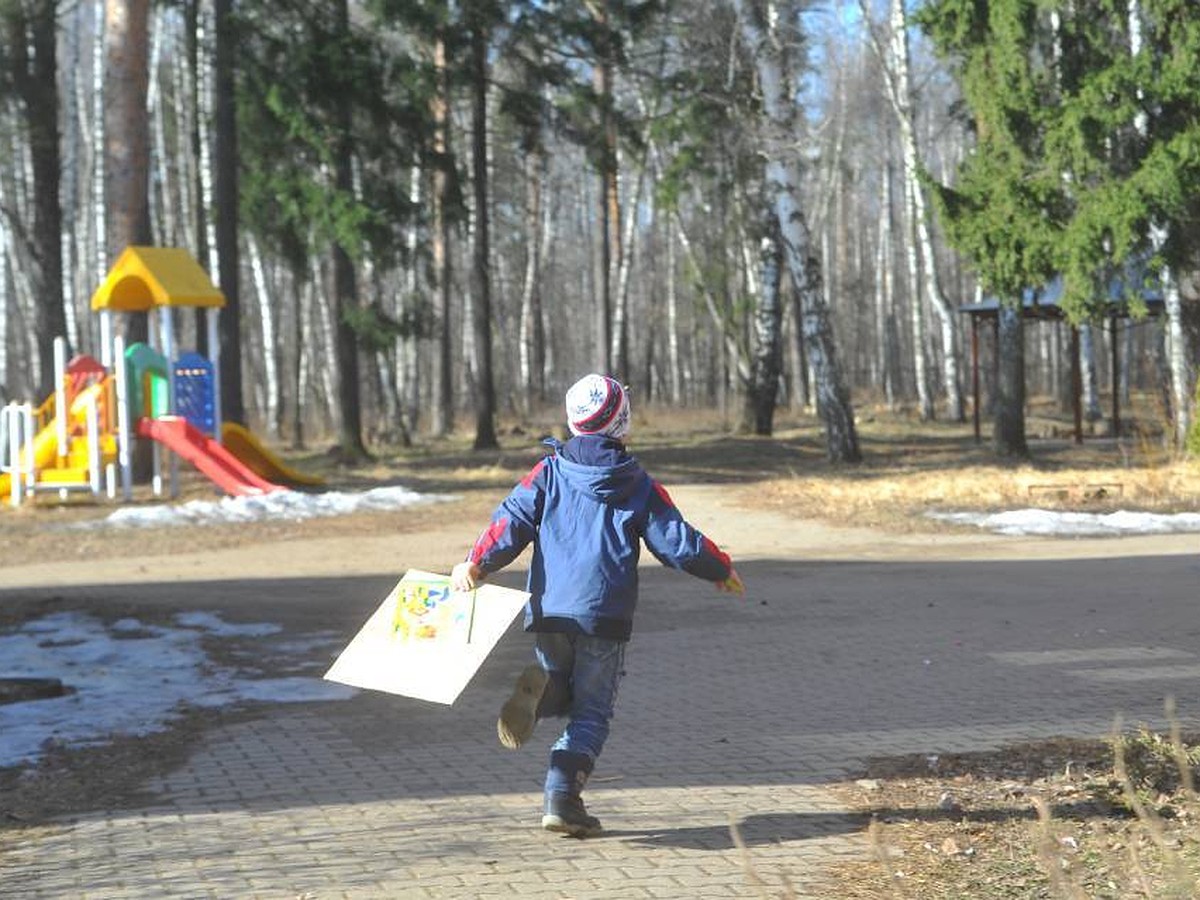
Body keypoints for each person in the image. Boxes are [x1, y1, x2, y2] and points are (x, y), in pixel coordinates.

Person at [451, 373, 744, 838]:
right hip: (602, 616)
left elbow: (511, 519)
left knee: (562, 683)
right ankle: (562, 797)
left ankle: (542, 695)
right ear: (620, 423)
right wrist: (719, 568)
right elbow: (679, 543)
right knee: (592, 711)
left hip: (549, 611)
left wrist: (476, 563)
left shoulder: (548, 471)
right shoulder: (636, 483)